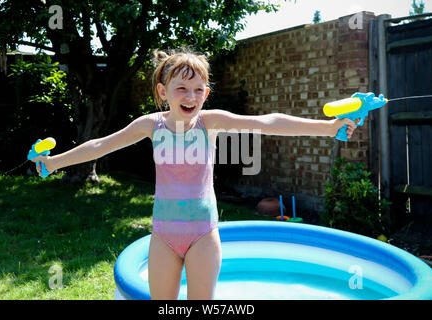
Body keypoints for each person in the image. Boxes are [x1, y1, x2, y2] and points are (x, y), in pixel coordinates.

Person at [31, 48, 358, 300]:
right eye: (181, 88)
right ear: (163, 91)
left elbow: (267, 122)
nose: (190, 97)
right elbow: (102, 144)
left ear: (207, 92)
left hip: (202, 234)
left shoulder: (209, 122)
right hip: (163, 236)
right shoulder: (151, 125)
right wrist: (56, 162)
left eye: (198, 90)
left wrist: (328, 128)